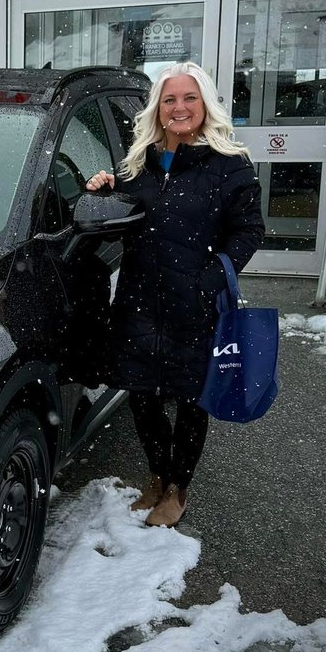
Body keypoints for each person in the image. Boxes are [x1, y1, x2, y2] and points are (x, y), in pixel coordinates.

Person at [85, 62, 265, 528]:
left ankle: (177, 488)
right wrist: (104, 188)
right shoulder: (138, 164)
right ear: (157, 109)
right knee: (142, 395)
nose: (179, 108)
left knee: (189, 398)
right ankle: (157, 475)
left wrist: (210, 279)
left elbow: (249, 231)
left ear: (205, 104)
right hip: (139, 302)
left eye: (189, 98)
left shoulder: (229, 164)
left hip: (195, 305)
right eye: (169, 99)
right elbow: (120, 213)